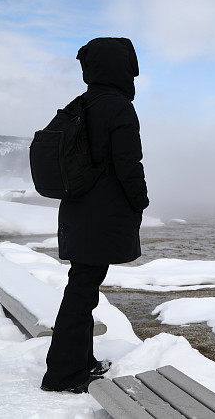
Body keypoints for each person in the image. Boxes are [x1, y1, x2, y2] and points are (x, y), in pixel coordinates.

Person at [40, 37, 149, 393]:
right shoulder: (118, 107)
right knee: (82, 292)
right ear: (123, 68)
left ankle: (80, 362)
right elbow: (128, 164)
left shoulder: (80, 104)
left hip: (77, 212)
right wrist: (140, 200)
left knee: (83, 288)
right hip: (100, 215)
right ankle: (63, 374)